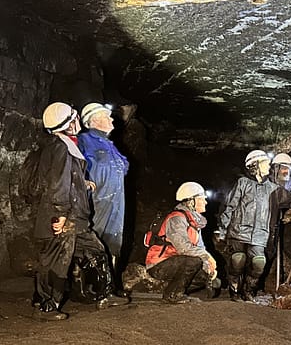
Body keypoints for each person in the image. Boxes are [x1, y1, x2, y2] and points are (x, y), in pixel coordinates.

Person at [31, 102, 127, 319]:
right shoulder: (60, 148)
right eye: (74, 119)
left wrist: (83, 183)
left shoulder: (66, 145)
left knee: (96, 251)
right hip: (64, 216)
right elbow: (57, 184)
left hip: (76, 217)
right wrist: (61, 213)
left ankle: (105, 295)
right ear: (67, 123)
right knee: (56, 261)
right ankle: (45, 307)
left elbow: (67, 177)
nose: (77, 122)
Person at [216, 149, 291, 301]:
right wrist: (223, 230)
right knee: (238, 260)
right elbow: (229, 206)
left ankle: (248, 291)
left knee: (259, 263)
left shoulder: (273, 189)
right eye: (265, 163)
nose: (268, 166)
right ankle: (234, 290)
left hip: (260, 234)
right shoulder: (243, 183)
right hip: (238, 231)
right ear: (255, 166)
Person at [145, 182, 219, 304]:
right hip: (159, 263)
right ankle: (172, 294)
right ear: (191, 201)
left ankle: (168, 287)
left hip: (177, 263)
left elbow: (199, 248)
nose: (205, 202)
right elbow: (184, 248)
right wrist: (208, 257)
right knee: (193, 261)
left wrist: (208, 269)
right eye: (202, 199)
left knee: (206, 277)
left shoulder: (194, 223)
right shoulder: (177, 218)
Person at [77, 103, 129, 274]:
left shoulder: (109, 144)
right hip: (97, 200)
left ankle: (110, 284)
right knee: (96, 241)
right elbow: (73, 166)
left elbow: (124, 165)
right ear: (94, 120)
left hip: (115, 202)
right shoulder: (84, 140)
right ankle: (94, 286)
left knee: (113, 241)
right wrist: (84, 182)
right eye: (107, 116)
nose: (111, 119)